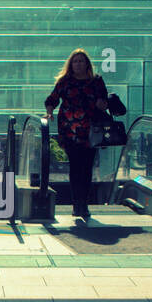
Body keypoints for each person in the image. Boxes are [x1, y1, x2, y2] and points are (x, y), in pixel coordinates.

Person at [45, 48, 109, 219]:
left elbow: (104, 100)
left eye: (81, 61)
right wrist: (50, 113)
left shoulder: (96, 81)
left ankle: (84, 203)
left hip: (90, 129)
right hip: (70, 130)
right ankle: (76, 204)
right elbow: (52, 99)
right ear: (70, 64)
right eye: (75, 61)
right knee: (75, 166)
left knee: (87, 167)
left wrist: (102, 104)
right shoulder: (65, 82)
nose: (78, 64)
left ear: (87, 64)